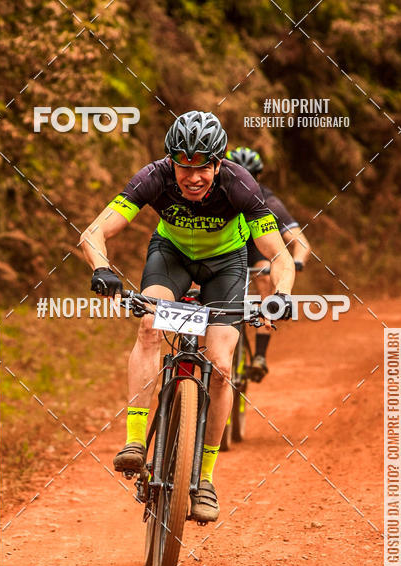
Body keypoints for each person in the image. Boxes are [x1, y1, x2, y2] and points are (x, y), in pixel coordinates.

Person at [79, 111, 296, 523]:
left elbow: (279, 255)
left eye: (202, 166)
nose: (192, 176)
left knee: (221, 366)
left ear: (217, 164)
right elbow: (94, 231)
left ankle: (207, 478)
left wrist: (281, 294)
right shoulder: (153, 177)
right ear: (171, 161)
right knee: (149, 325)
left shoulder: (240, 185)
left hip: (226, 267)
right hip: (171, 258)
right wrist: (101, 268)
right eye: (184, 164)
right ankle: (135, 441)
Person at [225, 146, 311, 381]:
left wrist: (296, 262)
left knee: (264, 273)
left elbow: (301, 242)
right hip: (223, 249)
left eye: (250, 175)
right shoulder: (217, 193)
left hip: (255, 250)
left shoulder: (268, 201)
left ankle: (260, 354)